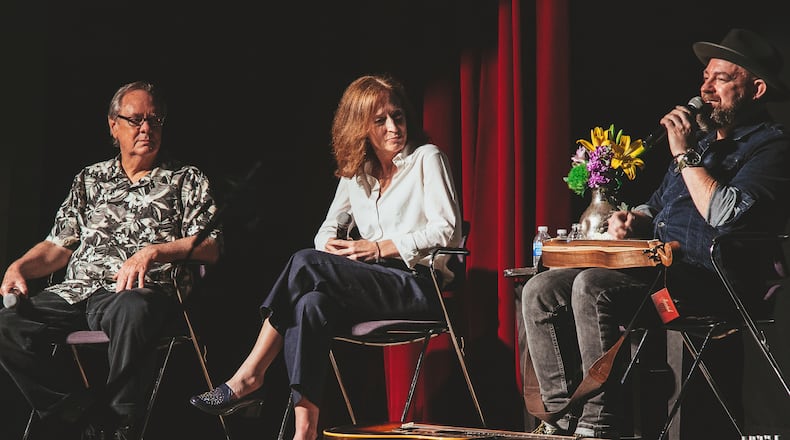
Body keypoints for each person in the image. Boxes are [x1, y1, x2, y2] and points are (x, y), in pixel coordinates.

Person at [521, 28, 790, 439]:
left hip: (713, 287)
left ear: (756, 88)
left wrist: (682, 155)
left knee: (593, 286)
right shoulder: (702, 144)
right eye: (705, 76)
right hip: (661, 277)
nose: (706, 86)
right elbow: (658, 205)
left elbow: (726, 214)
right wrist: (634, 220)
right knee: (542, 288)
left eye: (721, 78)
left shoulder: (771, 149)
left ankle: (600, 426)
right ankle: (560, 418)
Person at [188, 74, 462, 440]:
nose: (394, 127)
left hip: (417, 285)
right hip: (370, 284)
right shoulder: (357, 175)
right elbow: (326, 231)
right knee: (310, 304)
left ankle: (250, 375)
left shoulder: (427, 159)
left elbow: (447, 231)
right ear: (360, 127)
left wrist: (379, 247)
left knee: (304, 262)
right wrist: (334, 250)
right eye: (380, 121)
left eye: (398, 116)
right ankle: (305, 432)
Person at [0, 80, 222, 440]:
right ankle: (78, 412)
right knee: (8, 323)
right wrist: (18, 267)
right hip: (77, 291)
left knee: (133, 309)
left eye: (155, 120)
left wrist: (154, 252)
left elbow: (211, 245)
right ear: (113, 125)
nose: (146, 128)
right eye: (135, 120)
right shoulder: (90, 179)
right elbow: (58, 246)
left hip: (135, 292)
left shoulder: (185, 179)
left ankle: (122, 427)